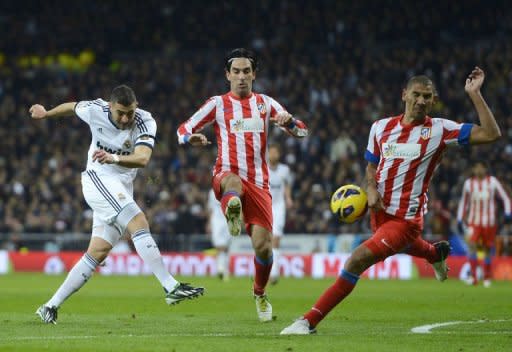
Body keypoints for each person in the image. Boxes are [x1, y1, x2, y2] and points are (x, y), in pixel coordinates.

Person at [281, 67, 501, 335]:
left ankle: (308, 321)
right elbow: (371, 168)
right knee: (400, 245)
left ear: (433, 100)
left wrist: (474, 94)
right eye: (416, 94)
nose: (421, 101)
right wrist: (370, 189)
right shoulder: (380, 128)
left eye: (427, 97)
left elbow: (491, 134)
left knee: (356, 260)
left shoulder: (440, 130)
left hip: (406, 220)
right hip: (379, 213)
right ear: (404, 95)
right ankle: (435, 254)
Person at [30, 85, 204, 324]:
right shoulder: (95, 109)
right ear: (110, 106)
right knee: (138, 221)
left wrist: (114, 157)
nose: (125, 118)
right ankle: (171, 286)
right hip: (97, 179)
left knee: (98, 252)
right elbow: (72, 107)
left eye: (129, 112)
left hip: (120, 185)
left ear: (137, 107)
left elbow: (143, 158)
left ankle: (49, 307)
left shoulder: (144, 121)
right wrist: (47, 114)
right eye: (120, 112)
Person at [177, 48, 308, 322]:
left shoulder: (266, 103)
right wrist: (190, 139)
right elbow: (183, 128)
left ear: (254, 74)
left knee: (264, 248)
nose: (241, 76)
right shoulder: (217, 104)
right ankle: (232, 209)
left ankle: (259, 293)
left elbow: (302, 131)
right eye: (235, 71)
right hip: (227, 174)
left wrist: (290, 122)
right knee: (232, 181)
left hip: (260, 184)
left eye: (246, 71)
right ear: (227, 75)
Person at [457, 161, 511, 287]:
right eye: (476, 167)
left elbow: (505, 197)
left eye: (481, 167)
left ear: (485, 169)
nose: (479, 170)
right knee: (472, 247)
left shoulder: (492, 182)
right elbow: (463, 202)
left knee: (487, 249)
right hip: (473, 222)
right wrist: (460, 219)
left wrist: (508, 213)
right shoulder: (468, 183)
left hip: (489, 222)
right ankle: (473, 277)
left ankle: (486, 277)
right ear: (474, 169)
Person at [267, 143, 294, 285]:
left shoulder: (285, 170)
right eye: (271, 152)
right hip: (265, 206)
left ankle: (274, 272)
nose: (273, 155)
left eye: (275, 152)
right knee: (265, 240)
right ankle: (265, 270)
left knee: (276, 238)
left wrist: (288, 198)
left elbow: (287, 185)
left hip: (278, 206)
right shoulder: (263, 169)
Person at [207, 189, 232, 281]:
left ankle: (224, 270)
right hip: (216, 220)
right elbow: (210, 209)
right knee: (219, 246)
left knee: (226, 247)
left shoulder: (230, 189)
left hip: (228, 219)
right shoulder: (212, 192)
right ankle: (221, 269)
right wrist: (209, 223)